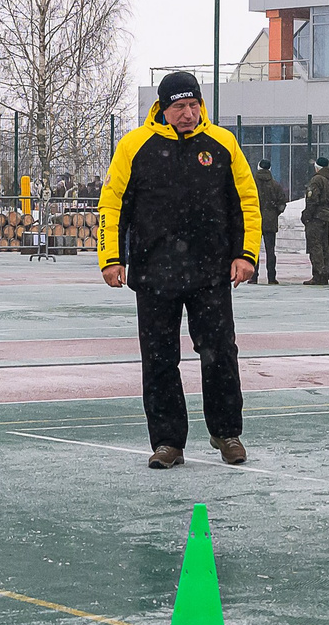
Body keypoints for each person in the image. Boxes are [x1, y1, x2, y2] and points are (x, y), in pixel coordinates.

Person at [98, 71, 261, 467]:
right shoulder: (135, 146)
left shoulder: (223, 143)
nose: (187, 114)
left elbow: (246, 202)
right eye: (178, 107)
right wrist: (111, 257)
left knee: (220, 354)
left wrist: (246, 255)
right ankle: (168, 442)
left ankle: (227, 434)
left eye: (193, 105)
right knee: (158, 360)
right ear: (163, 108)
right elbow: (112, 204)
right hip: (154, 274)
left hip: (211, 273)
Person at [302, 155, 329, 285]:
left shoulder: (316, 180)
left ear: (317, 168)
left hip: (316, 217)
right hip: (325, 217)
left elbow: (312, 200)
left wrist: (307, 215)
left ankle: (318, 274)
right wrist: (328, 214)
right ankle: (326, 271)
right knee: (324, 245)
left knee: (315, 245)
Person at [252, 157, 288, 283]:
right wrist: (274, 213)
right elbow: (282, 203)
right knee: (270, 250)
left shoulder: (251, 183)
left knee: (253, 249)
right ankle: (271, 277)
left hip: (254, 220)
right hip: (270, 221)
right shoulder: (275, 185)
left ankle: (253, 277)